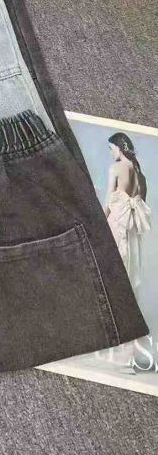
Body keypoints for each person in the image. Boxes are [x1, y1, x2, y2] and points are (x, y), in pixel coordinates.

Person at [103, 132, 151, 370]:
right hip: (132, 235)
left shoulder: (115, 169)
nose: (110, 153)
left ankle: (114, 348)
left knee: (111, 282)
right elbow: (142, 206)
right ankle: (127, 351)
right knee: (131, 284)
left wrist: (98, 228)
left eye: (111, 148)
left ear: (119, 148)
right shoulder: (141, 176)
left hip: (116, 227)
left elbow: (107, 204)